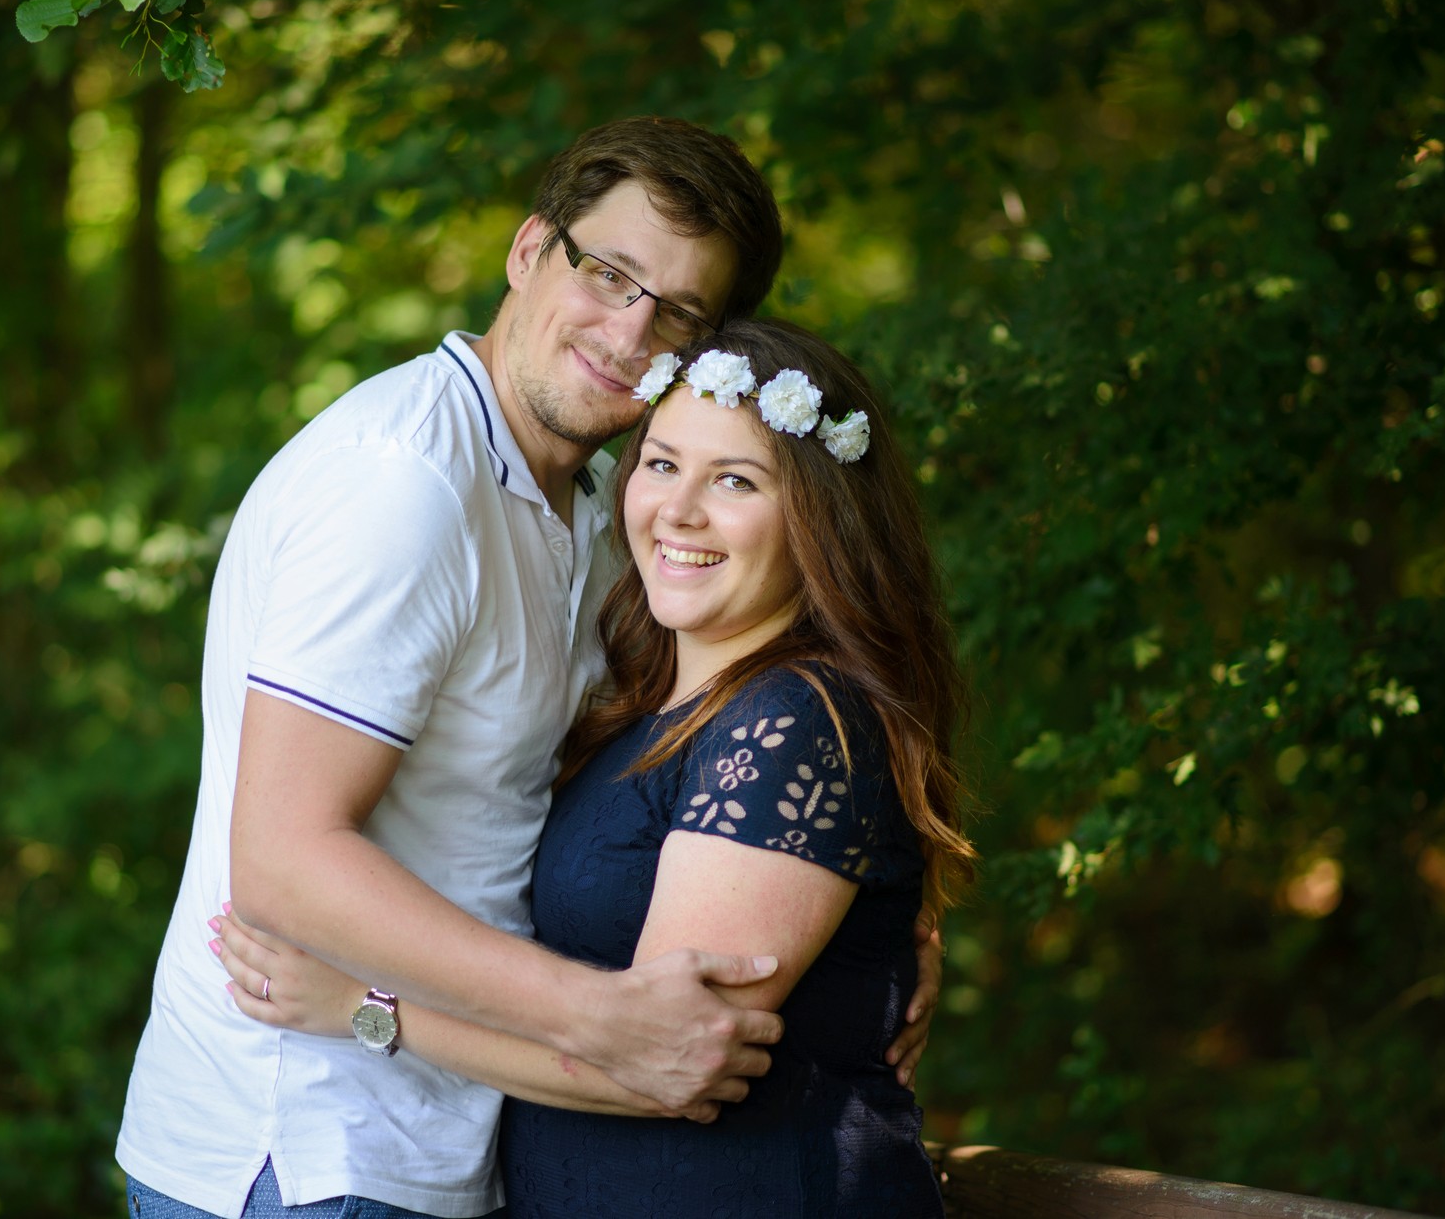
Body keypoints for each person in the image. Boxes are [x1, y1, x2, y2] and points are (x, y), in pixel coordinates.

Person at [116, 119, 940, 1219]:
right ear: (527, 250)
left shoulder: (603, 515)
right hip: (310, 1145)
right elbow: (281, 858)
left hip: (458, 1137)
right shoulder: (404, 484)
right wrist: (597, 1017)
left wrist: (863, 933)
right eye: (608, 272)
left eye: (677, 312)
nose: (628, 330)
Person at [216, 318, 975, 1216]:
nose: (679, 509)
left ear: (821, 518)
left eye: (734, 479)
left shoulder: (791, 722)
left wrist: (363, 1008)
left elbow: (667, 1060)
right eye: (662, 463)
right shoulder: (643, 706)